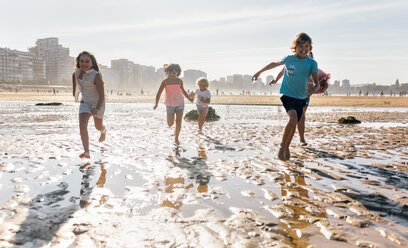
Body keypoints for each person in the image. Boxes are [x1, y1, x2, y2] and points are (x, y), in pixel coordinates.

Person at [252, 32, 320, 161]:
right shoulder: (289, 59)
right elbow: (274, 64)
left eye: (306, 46)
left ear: (310, 48)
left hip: (301, 98)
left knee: (294, 123)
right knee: (293, 118)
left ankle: (286, 146)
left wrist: (312, 90)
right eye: (300, 46)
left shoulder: (312, 63)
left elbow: (317, 83)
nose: (303, 49)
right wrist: (259, 72)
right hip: (288, 95)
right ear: (295, 47)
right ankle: (282, 146)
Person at [269, 52, 330, 146]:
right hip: (292, 94)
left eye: (309, 56)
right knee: (296, 117)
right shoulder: (292, 63)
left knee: (302, 116)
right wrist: (276, 81)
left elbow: (319, 82)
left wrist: (319, 85)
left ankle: (301, 139)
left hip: (305, 96)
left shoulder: (312, 67)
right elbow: (282, 72)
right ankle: (290, 138)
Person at [72, 51, 106, 159]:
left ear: (92, 63)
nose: (84, 64)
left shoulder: (96, 76)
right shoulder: (75, 74)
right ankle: (86, 152)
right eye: (81, 61)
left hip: (98, 102)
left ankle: (103, 131)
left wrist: (97, 108)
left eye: (87, 61)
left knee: (97, 126)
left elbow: (102, 95)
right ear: (78, 62)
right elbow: (75, 85)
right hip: (85, 102)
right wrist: (75, 93)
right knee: (82, 125)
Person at [153, 63, 193, 144]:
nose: (172, 74)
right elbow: (159, 93)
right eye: (170, 72)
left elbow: (182, 90)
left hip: (180, 103)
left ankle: (176, 139)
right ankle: (171, 120)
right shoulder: (165, 81)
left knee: (179, 122)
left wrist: (189, 98)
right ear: (166, 72)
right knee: (170, 124)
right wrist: (156, 103)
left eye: (174, 73)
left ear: (177, 73)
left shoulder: (179, 81)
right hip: (169, 104)